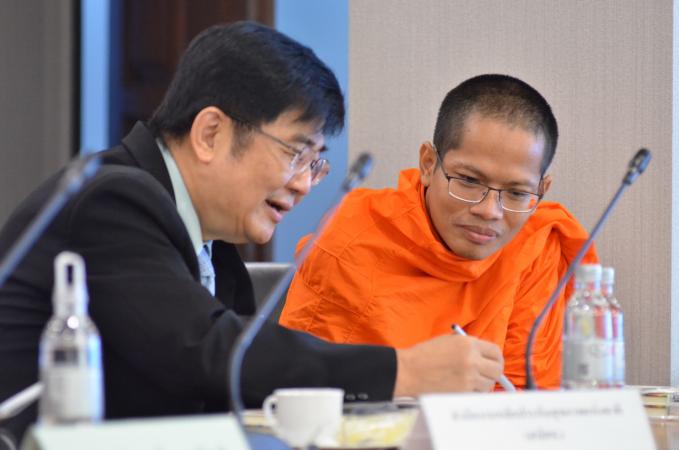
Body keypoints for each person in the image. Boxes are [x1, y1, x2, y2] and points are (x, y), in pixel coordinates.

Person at [0, 22, 504, 441]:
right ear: (211, 133)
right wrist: (403, 370)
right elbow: (209, 350)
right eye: (295, 153)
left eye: (316, 162)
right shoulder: (110, 199)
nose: (304, 184)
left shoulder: (214, 246)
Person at [280, 74, 598, 389]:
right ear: (428, 164)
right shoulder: (350, 240)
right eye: (469, 181)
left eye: (516, 193)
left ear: (542, 190)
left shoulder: (534, 247)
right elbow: (309, 389)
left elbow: (526, 392)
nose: (490, 211)